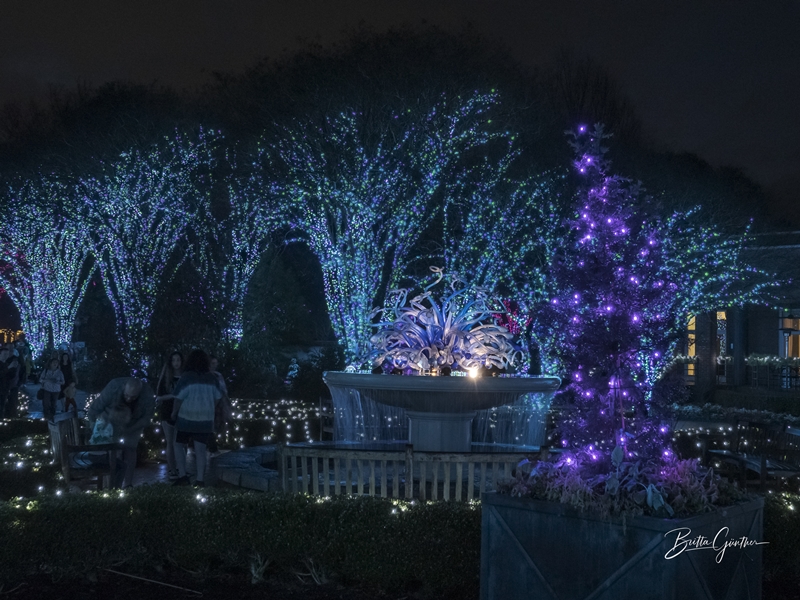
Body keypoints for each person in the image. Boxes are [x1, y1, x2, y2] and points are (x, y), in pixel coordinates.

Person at [87, 377, 155, 489]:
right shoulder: (113, 386)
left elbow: (147, 419)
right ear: (124, 387)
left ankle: (127, 484)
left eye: (133, 397)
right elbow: (96, 407)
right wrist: (94, 428)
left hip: (134, 422)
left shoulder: (147, 395)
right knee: (111, 449)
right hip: (111, 417)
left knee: (130, 448)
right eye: (126, 395)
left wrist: (129, 430)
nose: (128, 399)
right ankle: (111, 484)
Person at [171, 349, 222, 487]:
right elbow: (218, 398)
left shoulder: (186, 377)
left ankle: (182, 476)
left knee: (178, 445)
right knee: (201, 450)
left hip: (186, 418)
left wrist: (174, 413)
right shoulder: (212, 378)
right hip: (205, 420)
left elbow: (178, 398)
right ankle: (200, 480)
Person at [156, 351, 183, 480]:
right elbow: (159, 397)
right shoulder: (167, 378)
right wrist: (173, 396)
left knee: (181, 442)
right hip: (168, 411)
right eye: (174, 360)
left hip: (183, 412)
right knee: (171, 442)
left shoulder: (185, 377)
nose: (176, 363)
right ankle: (173, 469)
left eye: (178, 360)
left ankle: (181, 468)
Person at [39, 357, 64, 421]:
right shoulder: (46, 371)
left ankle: (52, 416)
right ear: (50, 364)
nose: (55, 364)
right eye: (54, 362)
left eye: (56, 363)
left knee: (53, 403)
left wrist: (57, 382)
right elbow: (41, 379)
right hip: (47, 389)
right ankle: (46, 415)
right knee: (46, 403)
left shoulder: (59, 372)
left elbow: (63, 382)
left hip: (56, 390)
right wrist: (47, 380)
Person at [3, 345, 22, 418]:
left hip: (13, 385)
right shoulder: (3, 361)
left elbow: (20, 372)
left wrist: (20, 382)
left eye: (11, 350)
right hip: (4, 385)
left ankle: (12, 418)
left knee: (12, 403)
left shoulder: (16, 360)